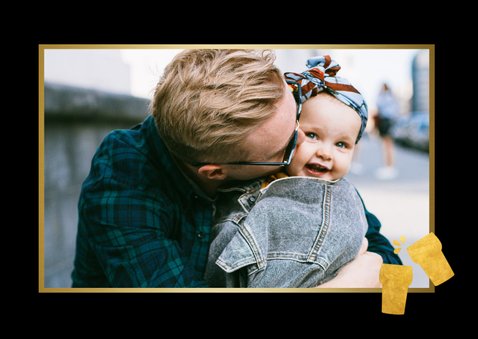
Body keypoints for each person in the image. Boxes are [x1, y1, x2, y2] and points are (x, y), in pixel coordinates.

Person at [71, 49, 398, 288]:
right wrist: (345, 285)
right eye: (287, 146)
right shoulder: (124, 178)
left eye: (297, 117)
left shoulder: (294, 170)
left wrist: (384, 275)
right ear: (215, 173)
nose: (308, 147)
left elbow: (386, 259)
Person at [205, 55, 401, 288]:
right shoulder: (256, 177)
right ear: (290, 133)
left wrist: (385, 280)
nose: (326, 153)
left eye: (341, 145)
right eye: (312, 135)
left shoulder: (345, 197)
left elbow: (389, 260)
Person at [374, 82, 400, 180]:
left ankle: (389, 167)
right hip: (390, 121)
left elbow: (378, 106)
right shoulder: (392, 97)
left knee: (386, 145)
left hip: (385, 121)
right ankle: (389, 166)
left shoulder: (384, 97)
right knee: (388, 145)